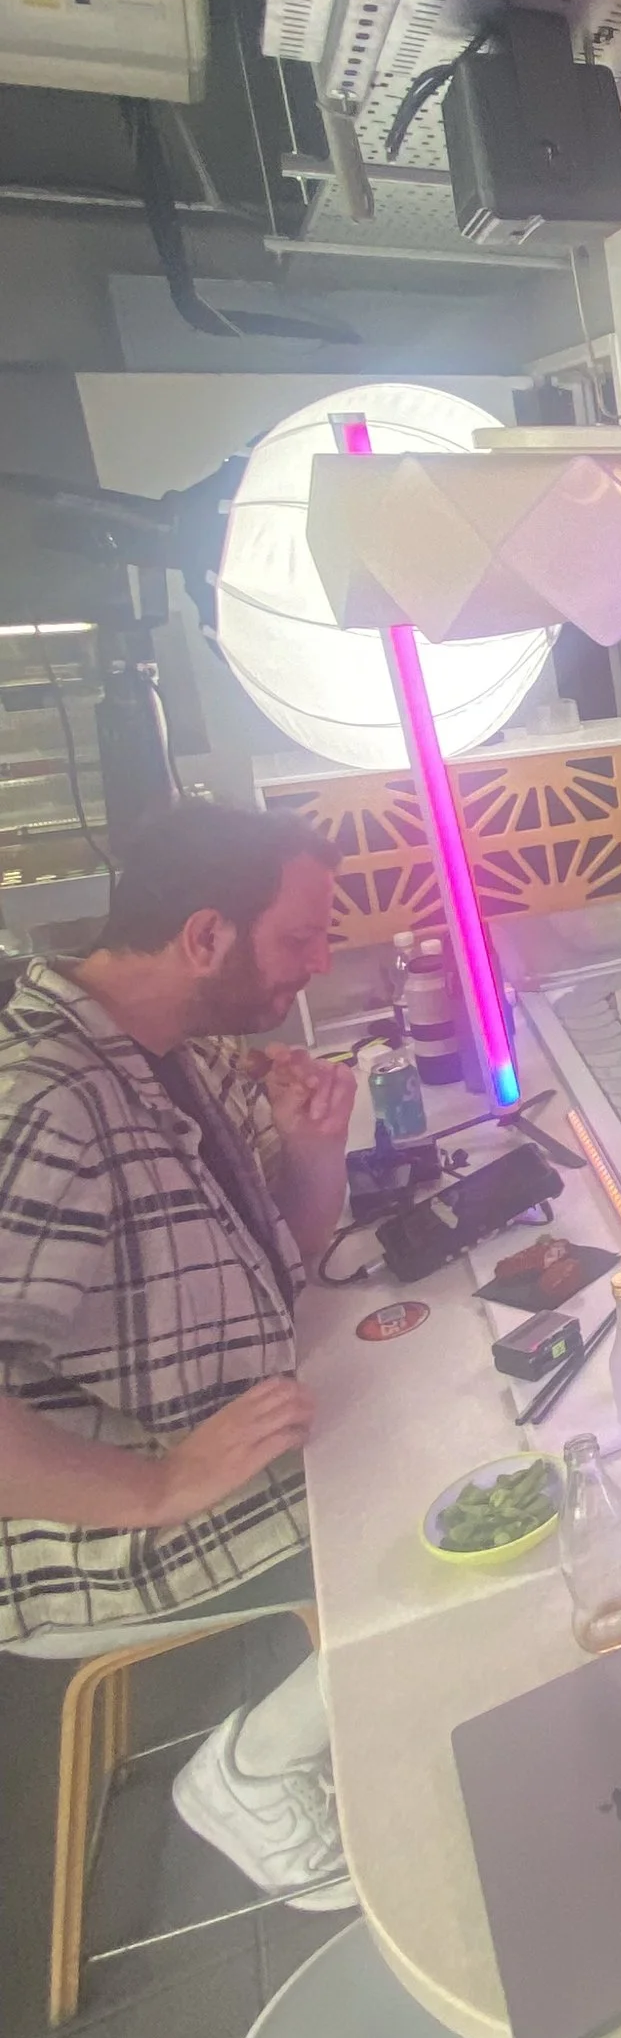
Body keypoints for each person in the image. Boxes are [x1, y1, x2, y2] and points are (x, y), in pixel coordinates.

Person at [0, 805, 358, 1909]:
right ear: (206, 936)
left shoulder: (165, 1055)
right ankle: (253, 1773)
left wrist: (311, 1149)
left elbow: (284, 1254)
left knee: (457, 1422)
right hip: (79, 1531)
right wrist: (160, 1485)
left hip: (231, 1427)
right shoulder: (45, 1102)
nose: (317, 966)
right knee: (427, 1516)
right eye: (299, 939)